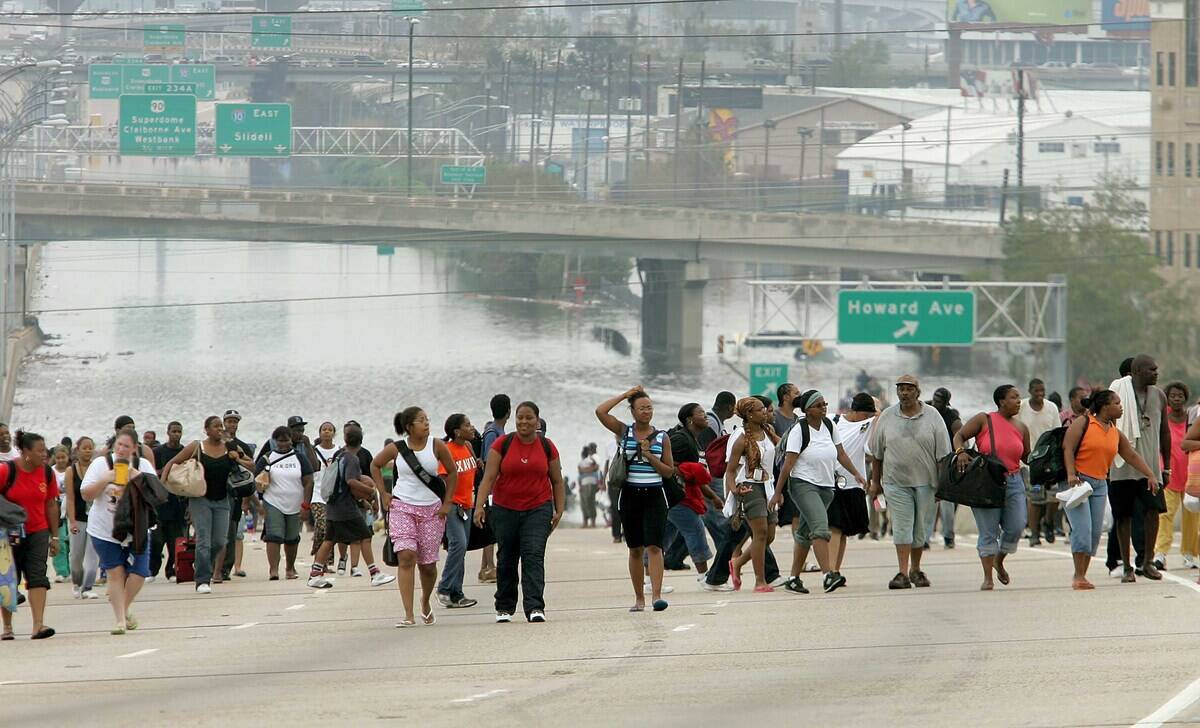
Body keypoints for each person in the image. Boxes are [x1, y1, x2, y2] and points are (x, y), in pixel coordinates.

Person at [475, 401, 566, 623]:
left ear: (537, 421)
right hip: (505, 509)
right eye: (520, 418)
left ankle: (535, 606)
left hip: (538, 508)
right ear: (515, 419)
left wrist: (559, 508)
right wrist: (479, 506)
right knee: (506, 557)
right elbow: (488, 478)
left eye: (529, 418)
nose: (524, 422)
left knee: (533, 555)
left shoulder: (547, 446)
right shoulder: (501, 444)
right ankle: (504, 607)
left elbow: (557, 480)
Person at [773, 390, 868, 594]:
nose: (824, 408)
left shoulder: (829, 425)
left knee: (805, 534)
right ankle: (828, 575)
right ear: (807, 410)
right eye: (819, 405)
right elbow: (788, 464)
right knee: (820, 527)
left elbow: (841, 454)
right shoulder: (800, 430)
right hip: (803, 484)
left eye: (825, 404)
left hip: (826, 487)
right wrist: (777, 492)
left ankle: (793, 578)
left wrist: (857, 474)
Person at [371, 407, 458, 628]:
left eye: (427, 420)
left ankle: (425, 601)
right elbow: (375, 465)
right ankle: (408, 614)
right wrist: (384, 493)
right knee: (407, 556)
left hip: (432, 510)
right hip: (402, 506)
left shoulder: (437, 445)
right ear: (409, 426)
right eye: (421, 421)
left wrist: (447, 503)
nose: (426, 424)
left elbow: (453, 472)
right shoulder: (397, 449)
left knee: (427, 565)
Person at [1064, 390, 1159, 589]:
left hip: (1099, 484)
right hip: (1078, 483)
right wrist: (1071, 474)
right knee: (1082, 530)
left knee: (1094, 534)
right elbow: (1068, 448)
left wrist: (1150, 474)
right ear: (1105, 406)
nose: (1121, 406)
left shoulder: (1114, 430)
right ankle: (1079, 576)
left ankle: (1081, 574)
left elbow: (1130, 455)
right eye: (1117, 403)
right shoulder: (1084, 422)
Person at [868, 375, 952, 590]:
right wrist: (875, 483)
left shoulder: (933, 417)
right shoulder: (887, 416)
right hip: (895, 482)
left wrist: (944, 486)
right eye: (901, 389)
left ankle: (916, 569)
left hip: (927, 483)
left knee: (920, 529)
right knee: (902, 526)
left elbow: (943, 455)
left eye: (908, 389)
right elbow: (877, 454)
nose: (904, 393)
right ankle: (902, 572)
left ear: (917, 392)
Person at [596, 386, 675, 612]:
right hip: (629, 495)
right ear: (632, 411)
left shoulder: (662, 437)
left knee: (655, 546)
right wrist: (625, 395)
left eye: (649, 408)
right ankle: (639, 598)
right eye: (641, 408)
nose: (646, 412)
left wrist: (650, 456)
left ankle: (656, 596)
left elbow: (669, 471)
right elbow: (600, 412)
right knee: (635, 548)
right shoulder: (625, 432)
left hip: (654, 495)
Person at [80, 429, 157, 635]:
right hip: (105, 528)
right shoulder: (101, 464)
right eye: (119, 445)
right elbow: (86, 494)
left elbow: (155, 496)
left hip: (137, 527)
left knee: (139, 573)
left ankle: (122, 607)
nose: (122, 450)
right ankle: (120, 621)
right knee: (116, 572)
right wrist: (106, 479)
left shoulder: (143, 465)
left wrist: (138, 478)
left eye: (126, 446)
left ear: (134, 448)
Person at [954, 385, 1031, 591]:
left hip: (1014, 480)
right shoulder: (983, 419)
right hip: (986, 481)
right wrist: (961, 452)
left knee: (1017, 526)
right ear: (1001, 401)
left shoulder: (1022, 427)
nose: (1019, 401)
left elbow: (1027, 456)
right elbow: (959, 436)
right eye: (1014, 397)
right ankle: (988, 577)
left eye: (1019, 397)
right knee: (988, 532)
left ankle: (999, 559)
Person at [306, 423, 396, 590]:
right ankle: (375, 573)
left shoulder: (339, 455)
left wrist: (364, 501)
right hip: (345, 507)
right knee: (365, 536)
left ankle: (315, 574)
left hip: (332, 505)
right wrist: (370, 491)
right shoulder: (352, 459)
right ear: (361, 441)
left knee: (329, 540)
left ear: (345, 439)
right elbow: (350, 482)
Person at [1108, 355, 1170, 582]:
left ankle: (1148, 562)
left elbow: (1165, 431)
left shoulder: (1159, 396)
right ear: (1136, 372)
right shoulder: (1117, 396)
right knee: (1123, 517)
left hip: (1151, 469)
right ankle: (1126, 567)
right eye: (1151, 369)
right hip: (1121, 467)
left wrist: (1168, 467)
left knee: (1153, 513)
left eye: (1156, 369)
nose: (1156, 372)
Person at [0, 431, 59, 640]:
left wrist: (55, 536)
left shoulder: (47, 473)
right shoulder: (6, 471)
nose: (44, 454)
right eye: (40, 451)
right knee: (8, 579)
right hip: (9, 534)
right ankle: (7, 627)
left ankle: (38, 625)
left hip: (38, 531)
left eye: (45, 450)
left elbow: (51, 504)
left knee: (38, 576)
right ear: (26, 452)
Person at [725, 396, 780, 592]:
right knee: (761, 533)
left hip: (768, 486)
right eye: (760, 410)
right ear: (749, 414)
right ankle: (760, 581)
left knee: (770, 535)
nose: (765, 412)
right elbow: (730, 470)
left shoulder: (769, 432)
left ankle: (738, 563)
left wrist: (778, 490)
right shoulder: (741, 439)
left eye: (765, 409)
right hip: (750, 487)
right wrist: (734, 490)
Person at [251, 425, 314, 583]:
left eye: (286, 440)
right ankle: (273, 569)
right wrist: (256, 502)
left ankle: (290, 568)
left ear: (291, 440)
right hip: (273, 502)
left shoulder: (300, 458)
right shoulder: (267, 458)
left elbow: (309, 482)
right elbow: (255, 478)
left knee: (292, 538)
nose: (283, 443)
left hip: (295, 504)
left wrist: (306, 505)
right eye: (280, 440)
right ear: (275, 441)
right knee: (274, 536)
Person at [435, 413, 480, 609]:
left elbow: (471, 476)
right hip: (453, 505)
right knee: (458, 545)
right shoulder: (448, 450)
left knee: (461, 549)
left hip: (467, 505)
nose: (472, 428)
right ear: (457, 431)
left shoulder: (468, 447)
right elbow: (444, 479)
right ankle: (444, 588)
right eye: (467, 425)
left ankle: (457, 593)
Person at [829, 393, 876, 575]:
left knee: (845, 531)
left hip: (854, 484)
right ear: (854, 411)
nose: (867, 418)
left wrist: (872, 413)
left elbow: (880, 414)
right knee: (834, 527)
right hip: (833, 482)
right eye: (865, 414)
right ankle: (831, 571)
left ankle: (836, 570)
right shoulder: (833, 421)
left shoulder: (869, 423)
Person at [1155, 382, 1198, 570]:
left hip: (1190, 475)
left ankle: (1189, 554)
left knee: (1191, 517)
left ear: (1185, 397)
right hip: (1169, 474)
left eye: (1180, 395)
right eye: (1173, 395)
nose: (1177, 399)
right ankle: (1161, 554)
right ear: (1168, 398)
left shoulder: (1192, 417)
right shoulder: (1162, 418)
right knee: (1165, 515)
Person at [1017, 379, 1062, 547]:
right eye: (1036, 391)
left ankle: (1048, 522)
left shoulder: (1051, 408)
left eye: (1042, 390)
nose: (1040, 394)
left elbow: (1057, 432)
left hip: (1050, 462)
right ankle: (1035, 534)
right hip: (1030, 462)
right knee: (1035, 497)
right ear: (1030, 391)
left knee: (1053, 495)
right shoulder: (1021, 407)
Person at [477, 394, 511, 583]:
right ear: (509, 411)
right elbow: (490, 460)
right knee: (491, 529)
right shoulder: (493, 432)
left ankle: (485, 568)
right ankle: (490, 567)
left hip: (498, 486)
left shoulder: (497, 431)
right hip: (493, 487)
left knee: (492, 527)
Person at [218, 409, 254, 580]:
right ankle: (214, 567)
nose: (232, 424)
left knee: (232, 533)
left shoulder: (241, 446)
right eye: (229, 421)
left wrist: (238, 457)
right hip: (217, 491)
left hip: (235, 494)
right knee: (217, 532)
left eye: (235, 421)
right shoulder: (214, 443)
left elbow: (251, 470)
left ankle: (225, 568)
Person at [64, 436, 100, 600]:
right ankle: (77, 583)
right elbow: (70, 498)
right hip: (78, 517)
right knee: (76, 555)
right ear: (77, 450)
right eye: (84, 448)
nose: (87, 451)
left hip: (95, 519)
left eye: (90, 447)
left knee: (93, 555)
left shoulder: (98, 468)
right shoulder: (71, 470)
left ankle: (88, 587)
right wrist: (71, 521)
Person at [150, 422, 186, 582]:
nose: (176, 434)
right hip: (159, 502)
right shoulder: (158, 452)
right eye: (174, 431)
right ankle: (152, 570)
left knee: (175, 541)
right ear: (168, 433)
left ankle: (171, 570)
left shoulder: (184, 452)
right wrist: (165, 471)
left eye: (179, 432)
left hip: (177, 502)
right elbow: (150, 473)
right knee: (157, 541)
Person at [928, 387, 961, 549]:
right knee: (928, 501)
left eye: (939, 402)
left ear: (946, 403)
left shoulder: (952, 417)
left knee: (947, 502)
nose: (935, 403)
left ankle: (948, 536)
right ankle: (924, 538)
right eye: (934, 400)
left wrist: (959, 455)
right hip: (927, 461)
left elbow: (961, 437)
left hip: (947, 462)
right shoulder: (925, 410)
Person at [309, 422, 339, 571]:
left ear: (334, 433)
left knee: (330, 529)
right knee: (321, 527)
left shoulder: (340, 451)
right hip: (317, 494)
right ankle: (317, 555)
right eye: (324, 429)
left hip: (333, 496)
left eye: (330, 430)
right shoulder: (313, 451)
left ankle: (324, 563)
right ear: (320, 432)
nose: (327, 432)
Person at [49, 445, 71, 584]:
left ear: (68, 457)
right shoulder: (50, 472)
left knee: (71, 543)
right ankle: (61, 571)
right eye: (58, 458)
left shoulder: (71, 471)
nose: (61, 460)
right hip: (57, 512)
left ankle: (71, 570)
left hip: (71, 509)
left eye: (63, 457)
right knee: (60, 541)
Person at [577, 444, 600, 528]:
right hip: (585, 483)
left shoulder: (591, 460)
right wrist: (589, 470)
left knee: (589, 502)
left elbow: (596, 467)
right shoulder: (584, 462)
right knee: (585, 503)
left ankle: (591, 522)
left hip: (589, 483)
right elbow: (580, 471)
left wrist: (585, 470)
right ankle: (587, 522)